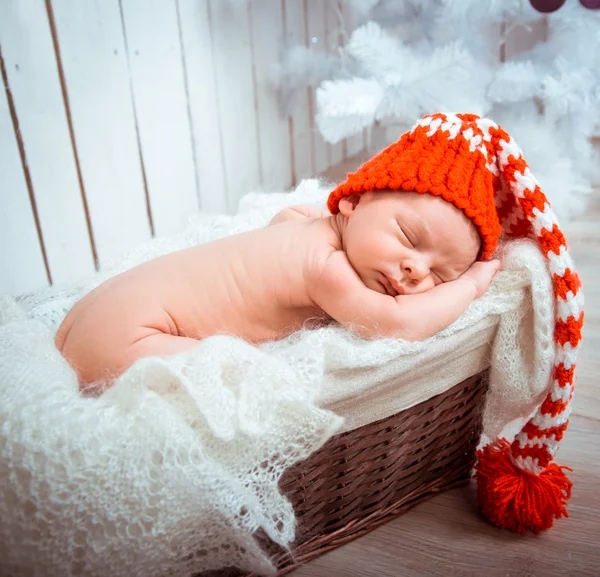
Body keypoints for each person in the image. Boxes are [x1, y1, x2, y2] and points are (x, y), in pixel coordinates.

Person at [55, 113, 501, 392]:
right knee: (239, 377)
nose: (415, 270)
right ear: (352, 200)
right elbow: (398, 325)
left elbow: (280, 228)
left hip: (102, 309)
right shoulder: (326, 269)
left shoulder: (296, 221)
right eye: (407, 237)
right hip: (132, 335)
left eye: (440, 275)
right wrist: (470, 284)